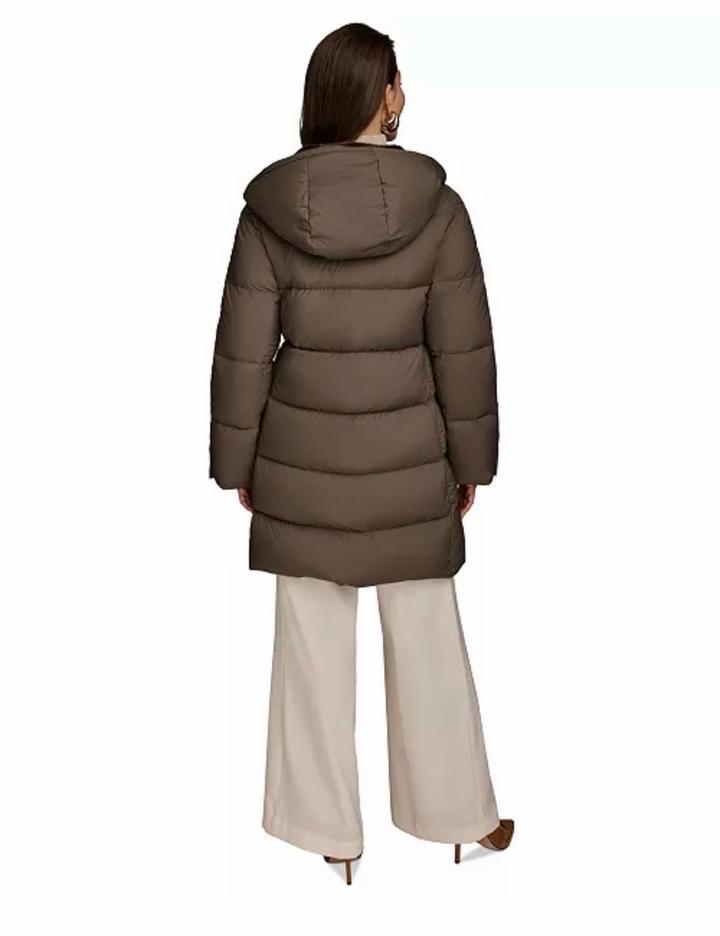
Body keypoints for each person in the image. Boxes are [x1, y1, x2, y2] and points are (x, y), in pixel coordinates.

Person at [209, 22, 514, 885]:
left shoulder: (269, 210)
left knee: (310, 644)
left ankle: (326, 832)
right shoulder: (439, 208)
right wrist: (471, 461)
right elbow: (463, 350)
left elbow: (242, 351)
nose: (402, 91)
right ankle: (459, 818)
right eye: (397, 78)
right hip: (412, 462)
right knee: (429, 638)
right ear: (382, 95)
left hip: (300, 464)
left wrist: (239, 465)